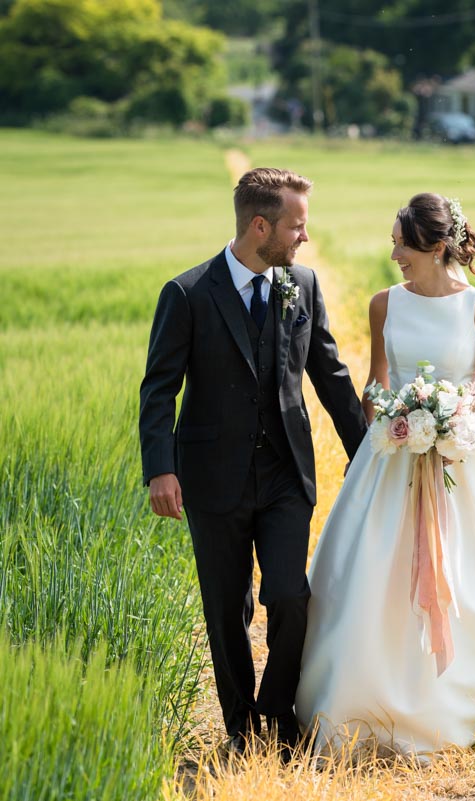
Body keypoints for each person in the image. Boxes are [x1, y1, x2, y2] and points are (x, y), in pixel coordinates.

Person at [295, 193, 475, 756]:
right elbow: (376, 384)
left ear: (436, 245)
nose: (393, 250)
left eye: (401, 241)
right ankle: (363, 698)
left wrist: (459, 423)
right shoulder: (384, 304)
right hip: (392, 457)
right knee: (372, 572)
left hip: (465, 456)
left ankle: (474, 696)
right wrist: (392, 421)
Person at [138, 168, 368, 756]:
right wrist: (159, 468)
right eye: (297, 226)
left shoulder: (303, 285)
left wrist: (368, 453)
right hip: (212, 479)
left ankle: (278, 713)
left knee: (291, 597)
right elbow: (159, 389)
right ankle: (241, 728)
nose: (304, 239)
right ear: (260, 225)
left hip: (287, 475)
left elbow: (331, 376)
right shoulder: (187, 293)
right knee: (226, 608)